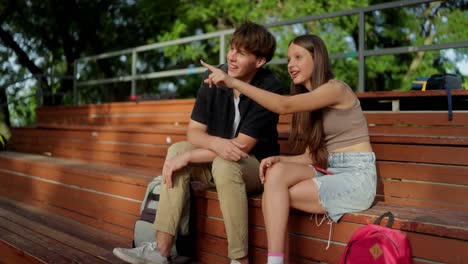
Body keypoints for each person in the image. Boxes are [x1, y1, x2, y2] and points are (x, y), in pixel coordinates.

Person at [113, 22, 284, 264]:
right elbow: (194, 133)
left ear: (259, 61)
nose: (232, 58)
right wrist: (211, 145)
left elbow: (241, 148)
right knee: (176, 150)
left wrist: (191, 156)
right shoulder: (214, 77)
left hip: (256, 168)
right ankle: (161, 251)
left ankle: (239, 259)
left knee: (220, 164)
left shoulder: (269, 87)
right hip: (219, 160)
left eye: (242, 53)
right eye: (232, 49)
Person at [201, 34, 376, 264]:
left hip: (356, 177)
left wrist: (233, 82)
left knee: (274, 198)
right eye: (288, 60)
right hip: (329, 170)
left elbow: (282, 105)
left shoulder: (336, 89)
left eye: (298, 57)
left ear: (318, 58)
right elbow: (310, 157)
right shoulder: (308, 102)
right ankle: (276, 261)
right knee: (275, 175)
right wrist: (278, 158)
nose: (291, 65)